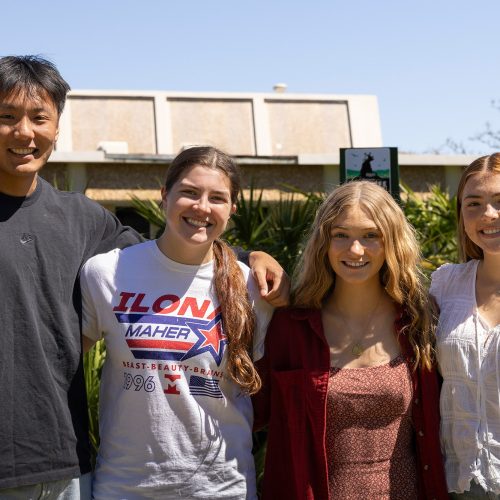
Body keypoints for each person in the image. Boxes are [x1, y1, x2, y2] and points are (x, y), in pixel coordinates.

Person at [0, 55, 288, 498]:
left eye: (39, 118)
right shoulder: (100, 256)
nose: (24, 132)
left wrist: (254, 257)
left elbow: (178, 253)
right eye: (6, 117)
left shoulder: (84, 222)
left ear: (56, 127)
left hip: (60, 466)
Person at [80, 146, 274, 499]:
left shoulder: (252, 287)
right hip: (126, 487)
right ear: (164, 196)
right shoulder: (107, 273)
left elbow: (268, 390)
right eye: (189, 192)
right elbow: (62, 368)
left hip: (221, 487)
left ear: (232, 209)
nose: (202, 207)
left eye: (217, 198)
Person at [253, 180, 449, 499]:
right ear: (323, 242)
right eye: (341, 235)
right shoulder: (289, 326)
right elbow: (244, 413)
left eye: (370, 236)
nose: (355, 250)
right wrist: (249, 255)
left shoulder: (420, 321)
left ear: (392, 242)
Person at [430, 154, 500, 498]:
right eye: (474, 204)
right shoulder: (445, 284)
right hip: (461, 482)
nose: (488, 214)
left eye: (499, 202)